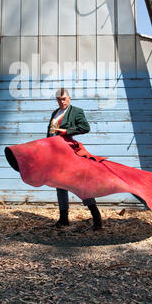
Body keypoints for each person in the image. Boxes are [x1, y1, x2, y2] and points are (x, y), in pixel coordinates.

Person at [47, 88, 103, 231]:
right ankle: (64, 219)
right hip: (56, 153)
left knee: (80, 183)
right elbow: (50, 133)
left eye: (64, 98)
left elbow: (85, 127)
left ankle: (96, 217)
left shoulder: (76, 111)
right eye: (59, 99)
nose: (62, 101)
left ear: (69, 98)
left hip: (69, 152)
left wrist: (67, 131)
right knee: (59, 184)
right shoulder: (55, 113)